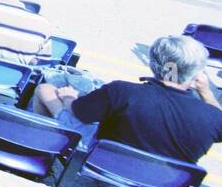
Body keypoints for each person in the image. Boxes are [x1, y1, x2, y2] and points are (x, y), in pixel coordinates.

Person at [33, 35, 222, 164]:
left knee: (46, 89)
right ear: (197, 72)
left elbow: (79, 113)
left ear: (154, 63)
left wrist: (68, 98)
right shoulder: (213, 118)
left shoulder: (121, 91)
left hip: (104, 161)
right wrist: (206, 92)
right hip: (166, 181)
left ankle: (38, 153)